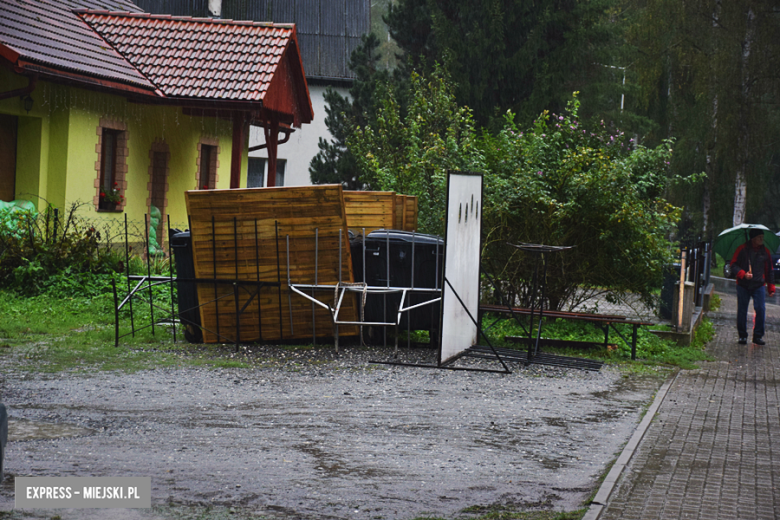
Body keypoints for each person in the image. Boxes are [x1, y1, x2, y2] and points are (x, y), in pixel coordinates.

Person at [730, 228, 776, 345]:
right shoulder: (742, 249)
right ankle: (742, 336)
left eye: (762, 237)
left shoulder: (765, 252)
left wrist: (771, 287)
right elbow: (733, 265)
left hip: (758, 285)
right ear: (753, 239)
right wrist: (743, 274)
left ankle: (758, 336)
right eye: (760, 237)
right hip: (743, 285)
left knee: (760, 309)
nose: (762, 239)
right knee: (742, 310)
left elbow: (769, 270)